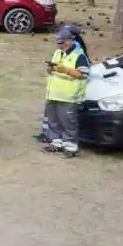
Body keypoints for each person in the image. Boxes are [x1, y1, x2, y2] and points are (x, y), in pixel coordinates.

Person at [41, 27, 90, 158]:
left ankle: (71, 147)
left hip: (68, 97)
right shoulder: (58, 53)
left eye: (61, 43)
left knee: (68, 123)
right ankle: (56, 143)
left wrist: (65, 70)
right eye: (58, 43)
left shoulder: (79, 56)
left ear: (69, 41)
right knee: (53, 120)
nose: (59, 45)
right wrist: (51, 69)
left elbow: (83, 74)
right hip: (53, 94)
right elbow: (54, 71)